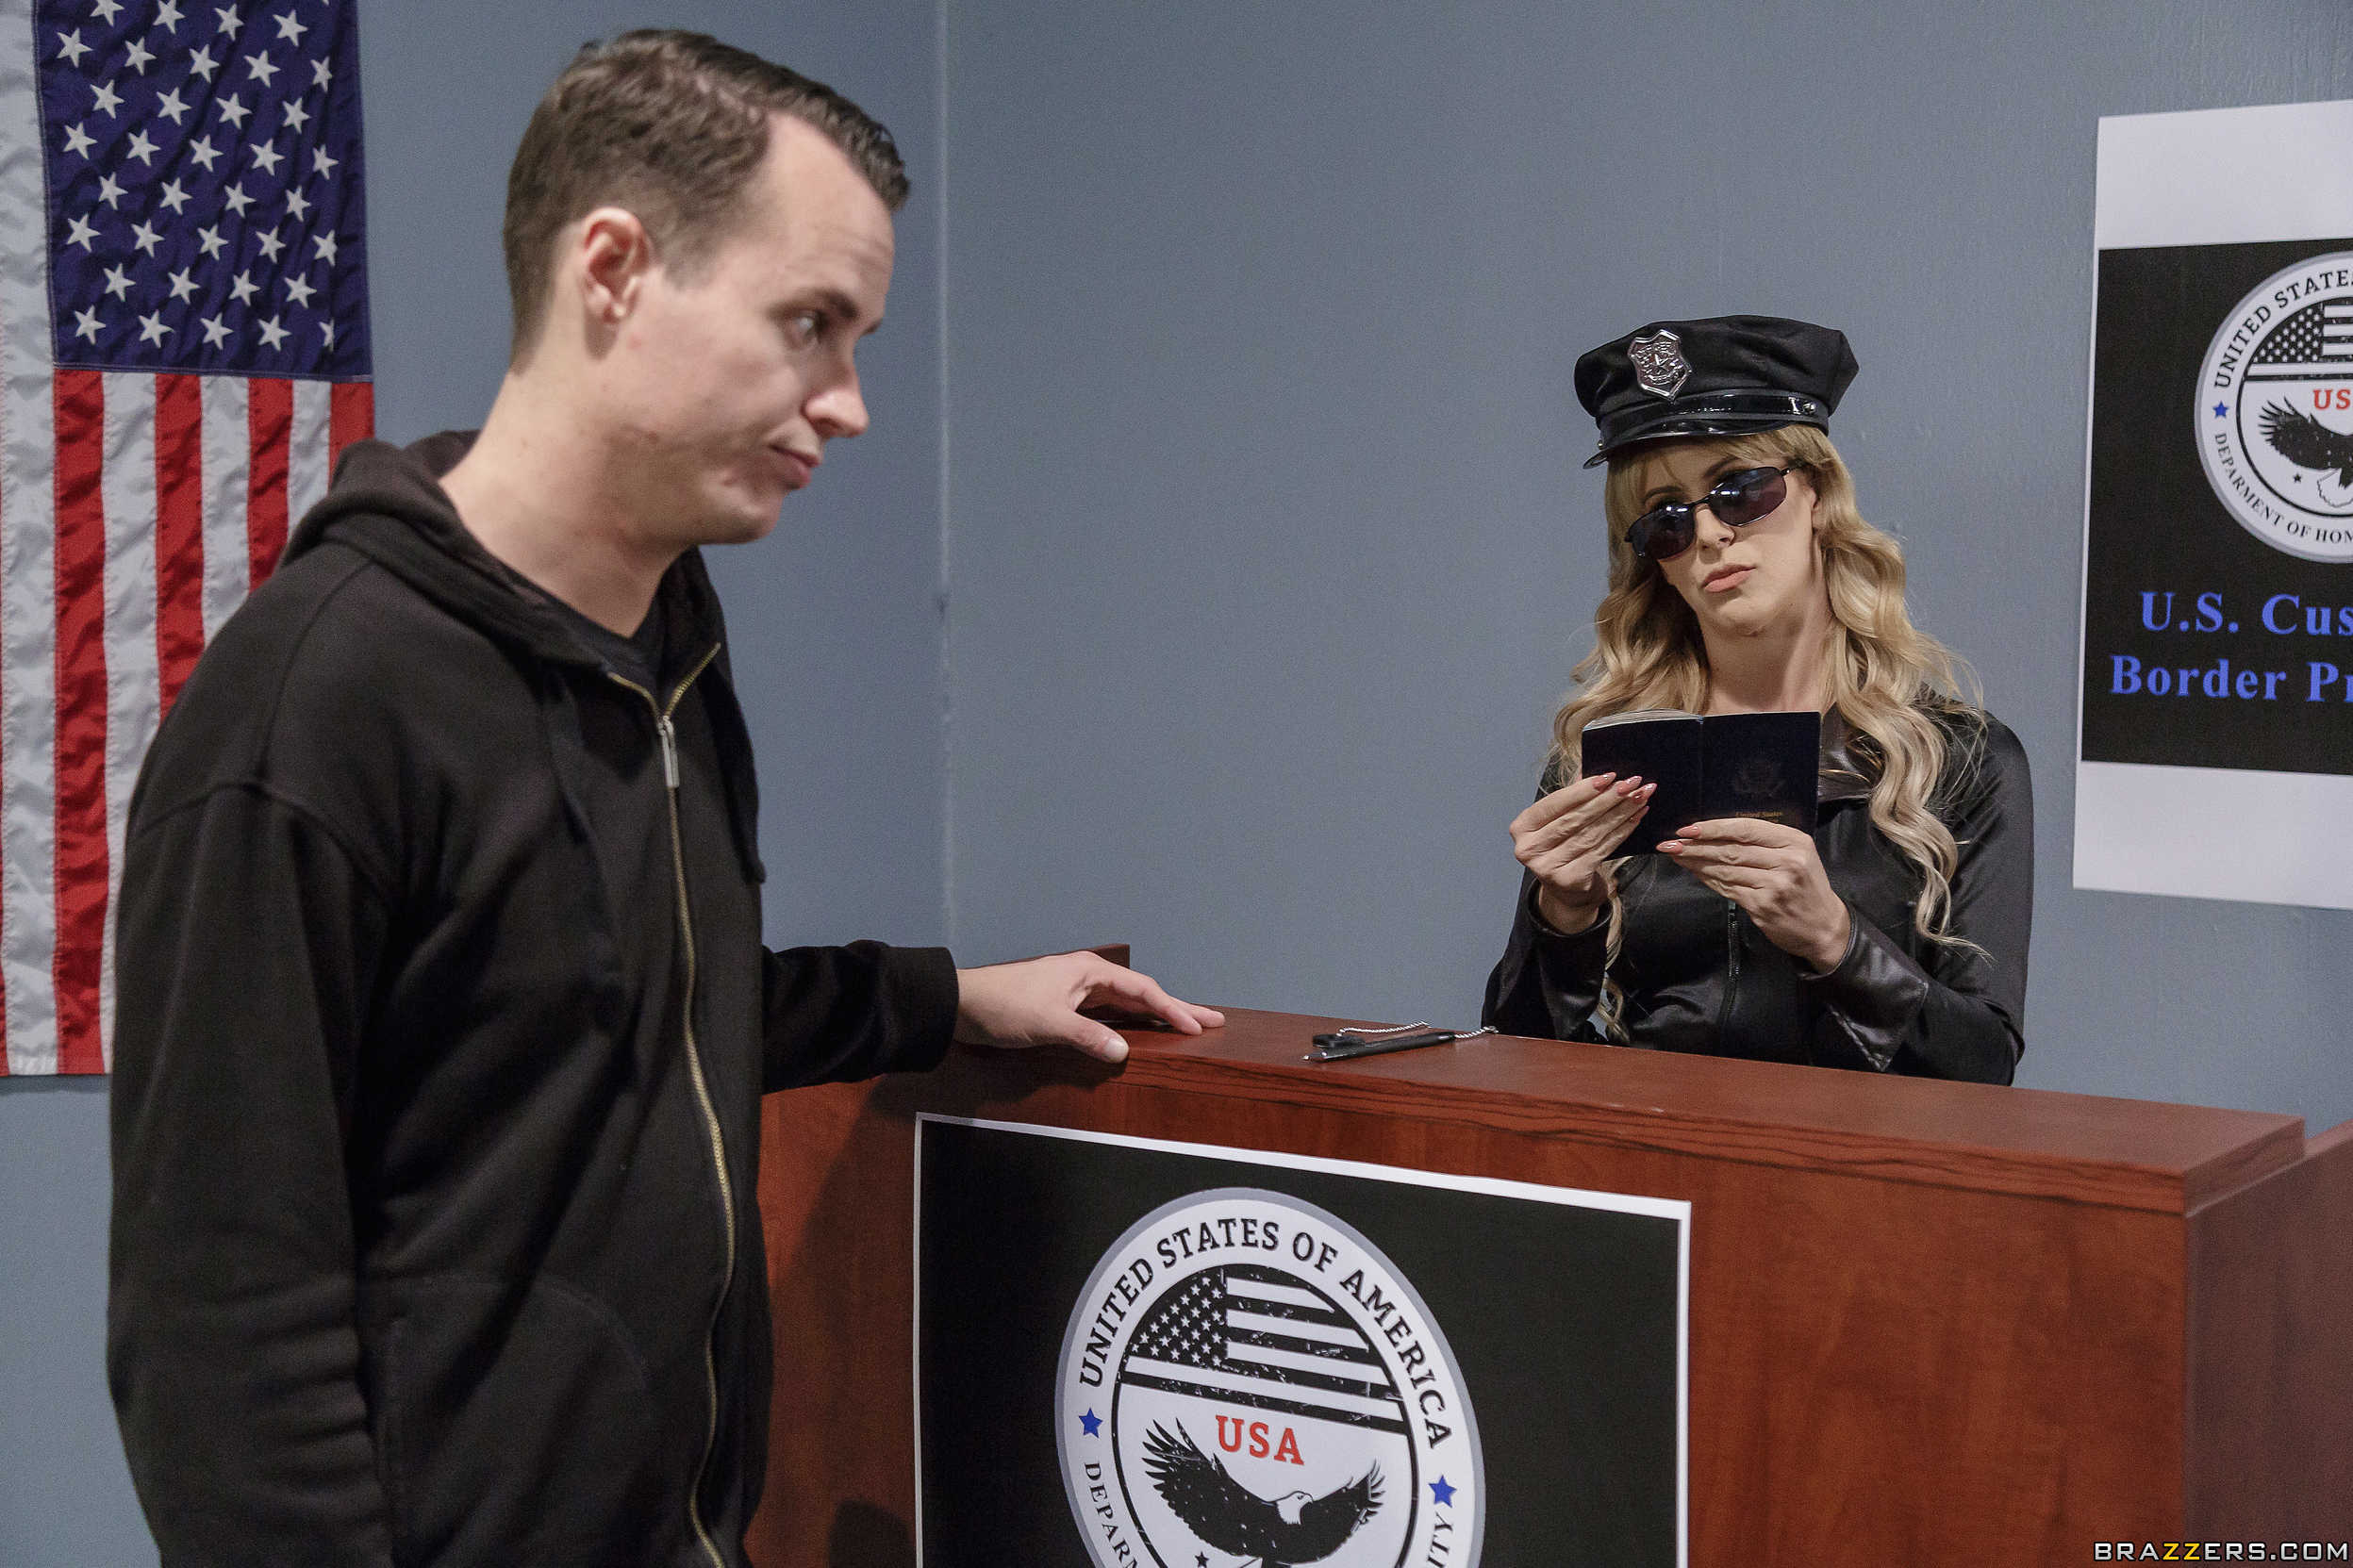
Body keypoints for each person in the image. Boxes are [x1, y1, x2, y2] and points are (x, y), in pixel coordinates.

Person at [107, 31, 1221, 1568]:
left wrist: (945, 996)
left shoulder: (667, 636)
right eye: (809, 326)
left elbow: (634, 1014)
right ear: (614, 271)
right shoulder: (315, 703)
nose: (849, 403)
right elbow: (219, 1330)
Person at [1482, 316, 2030, 1082]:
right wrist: (1561, 917)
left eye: (1738, 491)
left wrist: (1834, 939)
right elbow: (1512, 1062)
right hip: (1643, 1149)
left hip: (1851, 1158)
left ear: (1817, 493)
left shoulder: (1958, 758)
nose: (1708, 534)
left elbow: (1983, 1068)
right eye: (1666, 519)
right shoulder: (1607, 760)